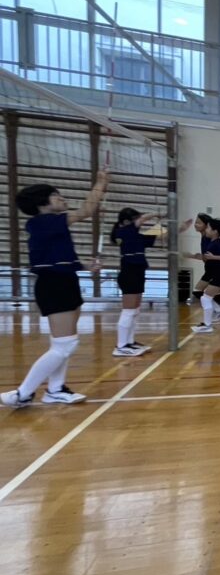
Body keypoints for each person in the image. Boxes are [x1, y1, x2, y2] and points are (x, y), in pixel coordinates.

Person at [2, 170, 109, 408]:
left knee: (61, 344)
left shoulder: (51, 226)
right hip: (53, 285)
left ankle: (55, 389)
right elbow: (86, 211)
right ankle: (23, 393)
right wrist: (101, 184)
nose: (61, 199)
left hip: (66, 280)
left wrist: (86, 266)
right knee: (66, 344)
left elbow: (60, 259)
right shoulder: (41, 222)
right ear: (43, 203)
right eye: (56, 196)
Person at [112, 207, 160, 356]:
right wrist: (155, 214)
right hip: (129, 273)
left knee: (135, 311)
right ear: (126, 221)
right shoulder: (123, 231)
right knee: (128, 311)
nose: (139, 222)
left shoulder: (135, 236)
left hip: (138, 272)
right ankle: (120, 346)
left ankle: (129, 342)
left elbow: (157, 233)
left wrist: (171, 225)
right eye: (135, 219)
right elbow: (142, 219)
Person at [181, 212, 220, 324]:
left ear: (207, 225)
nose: (195, 225)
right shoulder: (205, 237)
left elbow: (206, 257)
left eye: (199, 223)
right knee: (215, 294)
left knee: (201, 292)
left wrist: (190, 255)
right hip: (211, 269)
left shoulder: (208, 238)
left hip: (215, 270)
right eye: (195, 222)